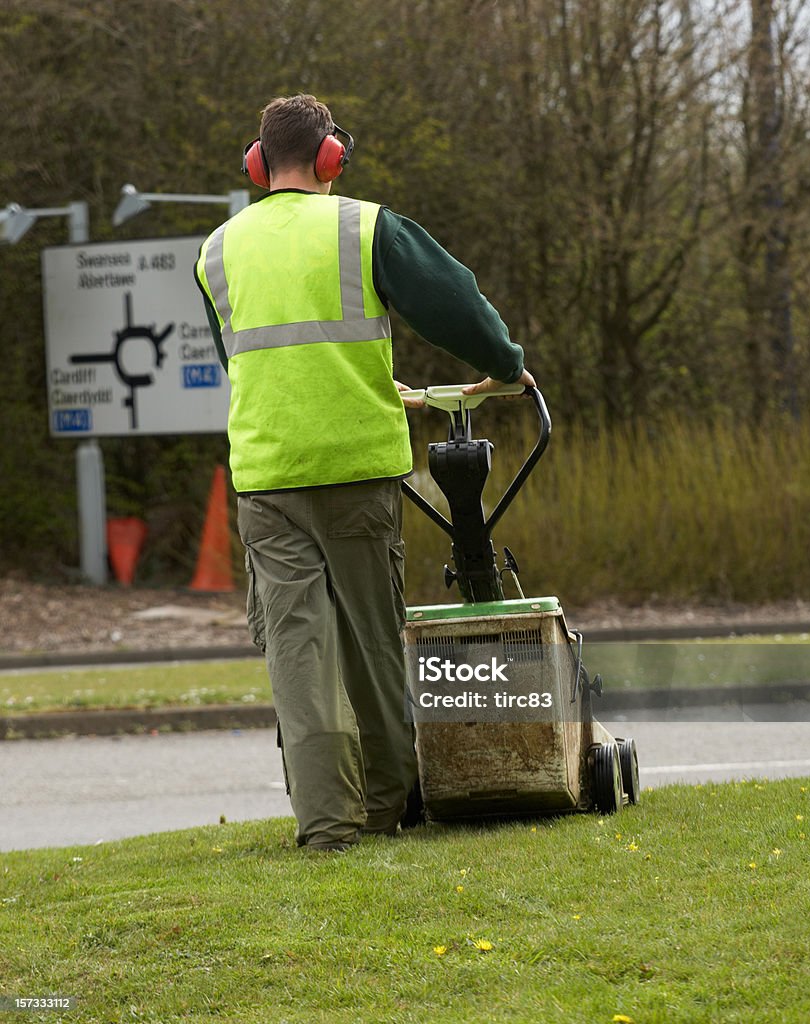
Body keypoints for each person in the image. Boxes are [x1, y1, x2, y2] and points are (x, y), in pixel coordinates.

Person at [194, 94, 535, 851]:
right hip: (354, 471)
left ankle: (325, 826)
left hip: (266, 481)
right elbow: (455, 305)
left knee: (295, 651)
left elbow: (246, 363)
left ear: (258, 164)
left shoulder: (217, 248)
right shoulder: (364, 226)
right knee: (375, 641)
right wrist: (504, 366)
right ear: (329, 158)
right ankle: (389, 804)